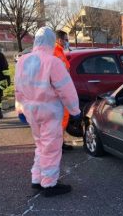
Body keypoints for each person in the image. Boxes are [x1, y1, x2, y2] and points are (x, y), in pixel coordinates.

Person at [15, 27, 81, 197]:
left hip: (31, 110)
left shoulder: (22, 61)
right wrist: (75, 110)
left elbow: (18, 89)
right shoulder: (53, 62)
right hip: (49, 111)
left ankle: (36, 179)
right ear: (52, 41)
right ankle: (49, 184)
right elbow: (66, 89)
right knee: (51, 147)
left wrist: (20, 108)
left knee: (40, 145)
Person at [53, 30, 74, 151]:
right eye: (66, 39)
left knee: (63, 117)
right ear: (59, 40)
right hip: (58, 92)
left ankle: (60, 142)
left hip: (63, 90)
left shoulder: (60, 52)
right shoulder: (55, 52)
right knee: (59, 119)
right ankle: (57, 145)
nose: (67, 42)